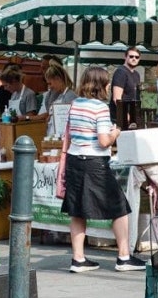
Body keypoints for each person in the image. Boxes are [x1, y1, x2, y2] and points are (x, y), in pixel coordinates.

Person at [57, 66, 145, 273]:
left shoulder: (75, 104)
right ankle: (123, 256)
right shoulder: (100, 108)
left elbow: (68, 135)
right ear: (101, 85)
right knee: (120, 207)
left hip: (74, 159)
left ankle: (78, 259)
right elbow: (104, 141)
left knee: (77, 210)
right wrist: (116, 132)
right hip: (95, 162)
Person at [36, 63, 77, 137]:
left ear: (58, 79)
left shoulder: (70, 96)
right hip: (52, 136)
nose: (49, 87)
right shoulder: (57, 95)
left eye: (50, 83)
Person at [111, 46, 142, 127]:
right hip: (121, 118)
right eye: (131, 56)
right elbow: (116, 98)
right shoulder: (121, 72)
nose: (134, 58)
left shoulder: (136, 74)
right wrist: (126, 115)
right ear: (125, 57)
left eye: (137, 57)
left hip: (133, 115)